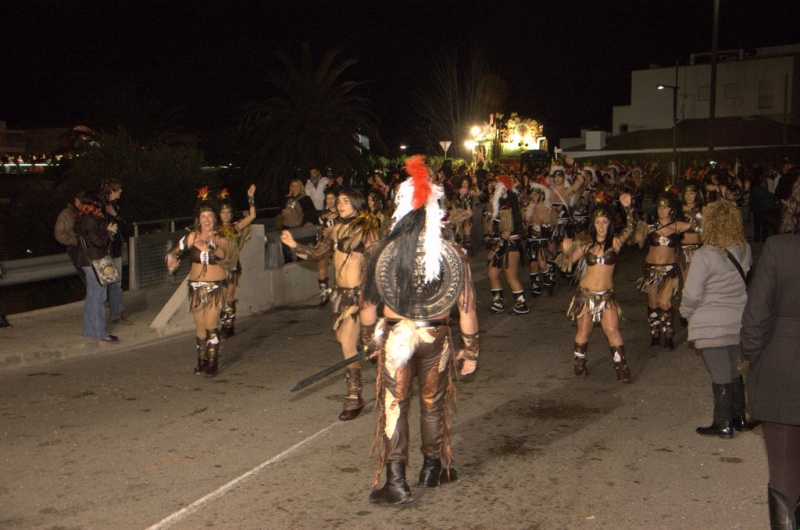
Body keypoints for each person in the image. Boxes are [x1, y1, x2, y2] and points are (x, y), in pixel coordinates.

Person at [360, 155, 479, 505]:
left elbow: (367, 308)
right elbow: (467, 309)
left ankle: (396, 481)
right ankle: (432, 468)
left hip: (396, 337)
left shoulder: (378, 251)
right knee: (432, 403)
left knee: (395, 403)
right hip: (436, 338)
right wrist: (470, 350)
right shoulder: (453, 252)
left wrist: (369, 340)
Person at [280, 189, 379, 421]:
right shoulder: (333, 230)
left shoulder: (367, 229)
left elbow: (377, 260)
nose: (341, 204)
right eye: (340, 201)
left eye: (346, 201)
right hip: (340, 295)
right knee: (344, 340)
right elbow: (316, 255)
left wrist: (369, 293)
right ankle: (383, 359)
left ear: (357, 203)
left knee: (347, 342)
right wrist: (293, 244)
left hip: (358, 295)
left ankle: (354, 396)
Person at [741, 178, 800, 529]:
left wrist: (754, 359)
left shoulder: (780, 247)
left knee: (784, 471)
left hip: (783, 371)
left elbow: (756, 317)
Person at [679, 200, 751, 438]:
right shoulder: (745, 249)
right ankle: (739, 417)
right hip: (737, 319)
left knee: (720, 373)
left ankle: (723, 423)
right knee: (733, 369)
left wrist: (685, 313)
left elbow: (691, 293)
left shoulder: (704, 255)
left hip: (711, 323)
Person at [558, 194, 635, 381]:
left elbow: (630, 228)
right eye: (598, 222)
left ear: (609, 224)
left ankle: (621, 366)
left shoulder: (615, 244)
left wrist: (627, 208)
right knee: (584, 331)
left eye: (604, 222)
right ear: (594, 224)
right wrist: (566, 250)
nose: (601, 226)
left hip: (607, 296)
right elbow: (566, 264)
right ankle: (579, 362)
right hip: (585, 295)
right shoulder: (586, 247)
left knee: (612, 330)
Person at [166, 188, 229, 376]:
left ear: (215, 218)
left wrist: (211, 246)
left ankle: (213, 362)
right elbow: (174, 252)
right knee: (200, 325)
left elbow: (223, 254)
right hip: (195, 287)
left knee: (211, 323)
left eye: (210, 216)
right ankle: (201, 360)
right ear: (198, 219)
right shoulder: (192, 236)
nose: (207, 220)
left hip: (215, 286)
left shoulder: (220, 236)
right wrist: (172, 264)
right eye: (203, 216)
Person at [637, 193, 694, 349]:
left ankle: (668, 335)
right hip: (651, 270)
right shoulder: (650, 227)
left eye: (665, 207)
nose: (662, 210)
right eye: (660, 207)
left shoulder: (678, 225)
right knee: (653, 302)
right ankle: (655, 333)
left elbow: (700, 227)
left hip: (669, 270)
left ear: (671, 209)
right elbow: (634, 239)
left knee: (665, 302)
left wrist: (694, 213)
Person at [74, 191, 120, 343]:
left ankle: (89, 330)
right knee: (99, 296)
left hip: (86, 260)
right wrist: (109, 234)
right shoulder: (92, 220)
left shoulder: (81, 218)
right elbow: (97, 241)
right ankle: (100, 332)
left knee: (92, 296)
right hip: (94, 260)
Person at [216, 185, 257, 338]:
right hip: (218, 267)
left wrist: (251, 198)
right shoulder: (214, 230)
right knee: (220, 297)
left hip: (232, 267)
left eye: (228, 212)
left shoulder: (235, 227)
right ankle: (223, 321)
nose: (226, 215)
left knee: (229, 296)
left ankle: (229, 325)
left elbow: (252, 216)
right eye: (223, 212)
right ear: (219, 214)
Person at [488, 175, 528, 314]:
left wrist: (494, 249)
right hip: (505, 244)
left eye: (495, 183)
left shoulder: (506, 206)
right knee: (492, 272)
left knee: (511, 276)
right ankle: (498, 302)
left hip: (510, 245)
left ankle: (521, 303)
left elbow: (506, 233)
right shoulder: (505, 204)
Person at [100, 178, 130, 325]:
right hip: (107, 250)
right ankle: (111, 315)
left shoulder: (114, 206)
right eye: (118, 189)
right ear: (112, 190)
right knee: (106, 284)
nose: (121, 191)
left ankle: (117, 313)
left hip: (115, 248)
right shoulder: (101, 207)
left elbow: (124, 223)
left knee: (116, 284)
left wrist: (116, 216)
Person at [525, 184, 557, 298]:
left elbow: (553, 229)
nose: (532, 197)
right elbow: (526, 226)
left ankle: (549, 282)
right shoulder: (529, 210)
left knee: (542, 264)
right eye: (532, 194)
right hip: (531, 241)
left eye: (535, 194)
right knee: (533, 265)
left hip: (542, 242)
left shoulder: (549, 210)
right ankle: (535, 286)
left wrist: (545, 225)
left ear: (542, 196)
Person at [278, 179, 317, 264]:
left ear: (301, 187)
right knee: (286, 249)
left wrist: (309, 223)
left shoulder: (305, 199)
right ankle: (288, 264)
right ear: (291, 188)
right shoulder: (286, 199)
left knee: (299, 250)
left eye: (297, 186)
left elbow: (312, 213)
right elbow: (279, 211)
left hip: (299, 227)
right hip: (287, 227)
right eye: (293, 186)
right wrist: (284, 211)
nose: (295, 188)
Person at [54, 190, 87, 285]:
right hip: (75, 248)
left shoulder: (85, 212)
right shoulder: (65, 215)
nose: (83, 204)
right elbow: (60, 235)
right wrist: (76, 241)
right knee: (86, 277)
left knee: (91, 278)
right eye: (81, 201)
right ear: (76, 200)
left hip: (85, 248)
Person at [315, 190, 340, 306]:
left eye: (332, 198)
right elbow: (320, 229)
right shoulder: (323, 214)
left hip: (339, 243)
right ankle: (324, 293)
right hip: (326, 243)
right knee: (321, 266)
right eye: (327, 198)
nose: (330, 201)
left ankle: (339, 292)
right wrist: (319, 242)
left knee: (338, 268)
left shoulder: (342, 212)